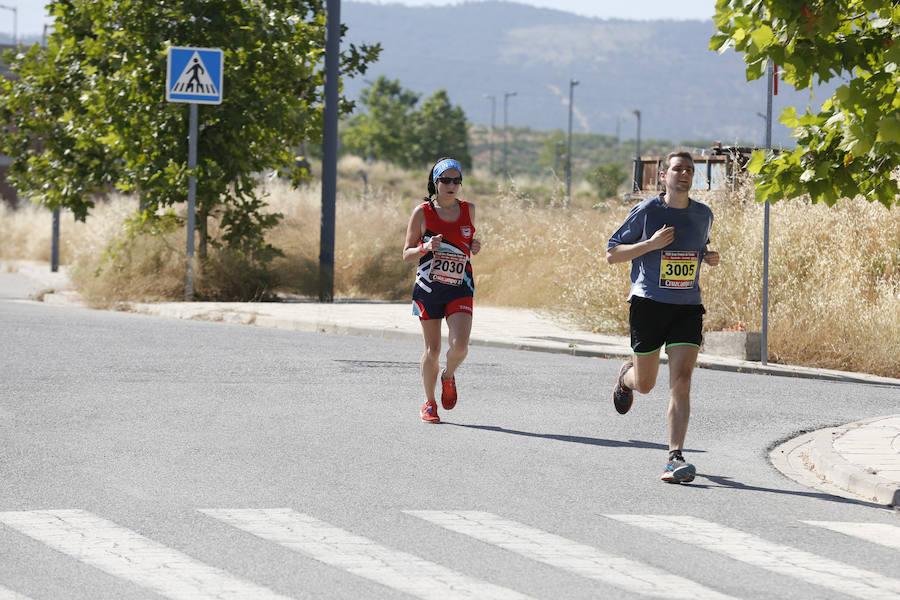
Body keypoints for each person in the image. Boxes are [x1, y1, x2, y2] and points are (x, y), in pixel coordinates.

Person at [606, 151, 720, 483]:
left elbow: (697, 247)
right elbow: (612, 253)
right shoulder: (647, 211)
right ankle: (625, 377)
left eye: (689, 170)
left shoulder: (703, 214)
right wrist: (650, 243)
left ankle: (675, 457)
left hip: (687, 305)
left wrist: (707, 256)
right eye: (677, 169)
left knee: (682, 382)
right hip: (649, 304)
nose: (683, 174)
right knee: (645, 384)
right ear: (663, 176)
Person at [402, 157, 481, 423]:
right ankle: (429, 403)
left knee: (459, 346)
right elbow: (406, 254)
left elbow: (467, 240)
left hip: (460, 286)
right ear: (435, 182)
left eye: (456, 181)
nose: (451, 185)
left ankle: (448, 376)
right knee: (432, 349)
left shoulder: (469, 209)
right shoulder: (422, 212)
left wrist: (474, 245)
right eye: (445, 180)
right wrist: (424, 248)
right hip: (429, 288)